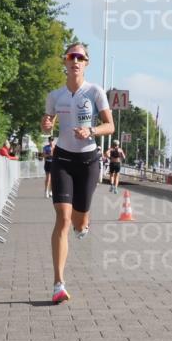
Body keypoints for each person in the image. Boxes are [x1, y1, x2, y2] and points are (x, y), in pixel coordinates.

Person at [41, 42, 114, 304]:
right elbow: (46, 127)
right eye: (71, 56)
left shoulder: (95, 92)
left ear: (86, 63)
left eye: (80, 57)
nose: (75, 60)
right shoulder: (55, 96)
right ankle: (58, 283)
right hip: (62, 158)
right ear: (65, 61)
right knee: (62, 217)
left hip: (88, 161)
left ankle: (84, 222)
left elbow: (110, 126)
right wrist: (46, 123)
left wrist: (91, 131)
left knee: (79, 222)